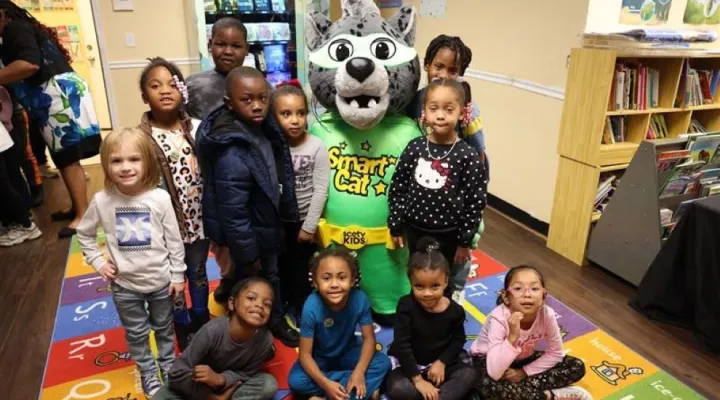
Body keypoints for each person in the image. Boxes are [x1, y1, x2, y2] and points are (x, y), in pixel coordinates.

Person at [76, 128, 186, 398]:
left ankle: (168, 364)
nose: (125, 167)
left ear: (146, 161)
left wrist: (178, 276)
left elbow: (174, 240)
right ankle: (147, 370)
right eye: (116, 161)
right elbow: (85, 233)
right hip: (125, 285)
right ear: (106, 164)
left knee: (163, 327)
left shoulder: (160, 199)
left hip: (161, 282)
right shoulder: (102, 201)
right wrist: (98, 262)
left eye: (133, 159)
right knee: (136, 333)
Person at [195, 66, 299, 347]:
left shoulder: (265, 129)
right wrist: (248, 252)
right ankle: (253, 329)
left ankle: (271, 318)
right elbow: (233, 211)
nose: (257, 106)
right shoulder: (230, 149)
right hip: (250, 235)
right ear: (229, 103)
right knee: (253, 283)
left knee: (272, 276)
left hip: (268, 224)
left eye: (263, 99)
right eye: (247, 100)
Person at [0, 1, 101, 238]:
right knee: (61, 156)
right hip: (53, 94)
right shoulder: (19, 28)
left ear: (2, 13)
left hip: (56, 95)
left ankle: (83, 216)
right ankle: (78, 206)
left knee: (67, 157)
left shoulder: (15, 28)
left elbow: (29, 63)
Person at [389, 78, 487, 299]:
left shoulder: (467, 155)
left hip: (449, 234)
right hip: (415, 229)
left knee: (444, 281)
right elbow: (399, 185)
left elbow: (475, 201)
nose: (440, 115)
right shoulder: (415, 147)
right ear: (424, 111)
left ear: (462, 112)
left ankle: (445, 318)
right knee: (418, 276)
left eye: (448, 109)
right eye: (434, 108)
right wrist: (396, 225)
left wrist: (465, 241)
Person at [137, 57, 210, 349]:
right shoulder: (141, 137)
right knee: (173, 275)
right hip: (167, 225)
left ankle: (201, 317)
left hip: (199, 219)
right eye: (155, 86)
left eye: (171, 84)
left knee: (199, 271)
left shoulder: (196, 127)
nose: (164, 91)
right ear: (145, 95)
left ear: (183, 91)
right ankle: (181, 323)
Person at [470, 265, 591, 400]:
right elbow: (494, 372)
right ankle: (550, 396)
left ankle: (521, 392)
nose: (527, 294)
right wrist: (512, 338)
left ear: (543, 296)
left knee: (576, 366)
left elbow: (556, 353)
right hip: (489, 360)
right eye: (518, 289)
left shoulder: (547, 314)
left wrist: (523, 372)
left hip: (522, 359)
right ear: (506, 297)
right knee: (486, 384)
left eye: (534, 289)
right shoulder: (498, 318)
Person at [288, 248, 391, 400]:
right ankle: (354, 392)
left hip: (347, 353)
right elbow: (305, 354)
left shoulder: (360, 299)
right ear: (316, 282)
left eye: (342, 278)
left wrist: (358, 373)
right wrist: (325, 384)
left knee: (383, 363)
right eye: (326, 278)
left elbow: (369, 339)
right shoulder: (311, 305)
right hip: (320, 357)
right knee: (296, 380)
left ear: (352, 280)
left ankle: (331, 393)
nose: (334, 284)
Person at [154, 277, 279, 400]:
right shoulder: (212, 331)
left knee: (268, 384)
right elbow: (177, 373)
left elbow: (246, 373)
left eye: (267, 304)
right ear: (232, 303)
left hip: (228, 385)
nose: (259, 305)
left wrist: (220, 379)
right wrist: (209, 396)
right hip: (197, 384)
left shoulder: (265, 339)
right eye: (251, 298)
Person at [386, 237, 477, 400]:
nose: (427, 293)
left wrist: (442, 362)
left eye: (435, 286)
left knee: (468, 375)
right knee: (399, 389)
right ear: (411, 283)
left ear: (446, 282)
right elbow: (402, 345)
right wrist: (418, 380)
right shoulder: (406, 306)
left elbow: (458, 339)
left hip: (439, 362)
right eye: (419, 286)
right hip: (410, 364)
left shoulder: (455, 310)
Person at [272, 83, 329, 318]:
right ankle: (283, 302)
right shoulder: (271, 146)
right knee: (280, 266)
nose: (294, 120)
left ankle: (302, 307)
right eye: (286, 114)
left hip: (303, 220)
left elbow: (320, 189)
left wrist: (309, 225)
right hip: (277, 221)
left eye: (300, 113)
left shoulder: (316, 146)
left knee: (301, 268)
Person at [406, 34, 488, 177]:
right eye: (439, 66)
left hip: (454, 178)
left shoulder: (467, 108)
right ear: (427, 64)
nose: (444, 75)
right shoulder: (413, 101)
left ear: (459, 73)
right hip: (423, 174)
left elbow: (478, 153)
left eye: (452, 70)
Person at [0, 90, 41, 246]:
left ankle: (25, 224)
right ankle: (20, 221)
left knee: (4, 183)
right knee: (10, 178)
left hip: (4, 134)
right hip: (4, 134)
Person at [186, 17, 248, 120]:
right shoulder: (191, 85)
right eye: (221, 44)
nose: (228, 51)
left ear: (246, 49)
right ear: (210, 45)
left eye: (236, 46)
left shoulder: (261, 87)